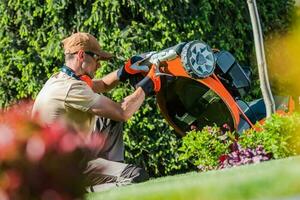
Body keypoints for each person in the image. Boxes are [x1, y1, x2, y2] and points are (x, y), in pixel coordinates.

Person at [32, 32, 161, 191]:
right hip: (64, 172)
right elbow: (122, 112)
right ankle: (80, 192)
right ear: (81, 55)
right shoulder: (70, 88)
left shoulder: (61, 79)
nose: (99, 65)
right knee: (135, 176)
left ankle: (113, 170)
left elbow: (104, 84)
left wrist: (125, 71)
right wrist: (149, 84)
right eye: (97, 58)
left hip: (66, 160)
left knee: (108, 119)